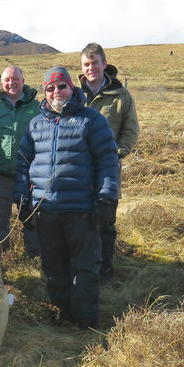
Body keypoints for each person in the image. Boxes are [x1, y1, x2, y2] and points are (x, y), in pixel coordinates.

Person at [15, 66, 119, 330]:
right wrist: (23, 199)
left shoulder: (92, 120)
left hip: (82, 210)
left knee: (85, 269)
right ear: (45, 93)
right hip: (46, 212)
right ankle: (64, 317)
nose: (56, 92)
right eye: (50, 88)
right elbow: (23, 162)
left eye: (61, 86)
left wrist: (106, 199)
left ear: (72, 88)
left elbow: (108, 161)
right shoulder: (36, 124)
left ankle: (87, 325)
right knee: (54, 269)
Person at [78, 43, 140, 286]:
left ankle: (105, 273)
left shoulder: (121, 95)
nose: (90, 68)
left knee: (106, 222)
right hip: (79, 172)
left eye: (94, 63)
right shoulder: (74, 93)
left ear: (104, 64)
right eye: (86, 64)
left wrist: (117, 154)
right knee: (80, 221)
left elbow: (131, 130)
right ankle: (82, 269)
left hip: (107, 172)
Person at [0, 65, 40, 255]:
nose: (11, 83)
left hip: (29, 175)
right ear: (1, 83)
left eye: (15, 79)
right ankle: (2, 258)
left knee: (31, 217)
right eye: (7, 80)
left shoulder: (37, 109)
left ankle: (34, 257)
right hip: (0, 176)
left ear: (23, 80)